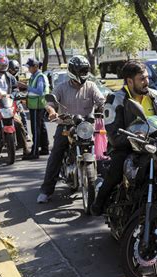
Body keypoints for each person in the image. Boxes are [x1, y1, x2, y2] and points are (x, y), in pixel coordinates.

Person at [90, 60, 157, 216]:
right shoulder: (115, 99)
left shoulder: (156, 97)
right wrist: (133, 139)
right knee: (116, 171)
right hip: (127, 148)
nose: (146, 82)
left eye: (147, 78)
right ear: (129, 81)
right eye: (141, 79)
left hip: (155, 147)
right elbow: (114, 134)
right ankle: (99, 202)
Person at [36, 56, 105, 203]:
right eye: (80, 70)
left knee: (103, 152)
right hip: (66, 125)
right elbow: (50, 102)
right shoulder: (62, 87)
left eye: (85, 70)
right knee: (56, 153)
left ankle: (104, 185)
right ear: (73, 71)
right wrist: (52, 111)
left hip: (86, 126)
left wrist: (105, 108)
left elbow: (101, 101)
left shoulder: (91, 86)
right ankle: (46, 191)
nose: (82, 73)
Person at [18, 58, 50, 160]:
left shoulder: (39, 77)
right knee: (41, 128)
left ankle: (35, 152)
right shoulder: (34, 76)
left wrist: (26, 87)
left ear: (35, 67)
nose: (28, 69)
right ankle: (44, 148)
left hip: (37, 106)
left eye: (29, 67)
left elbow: (39, 91)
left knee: (36, 129)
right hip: (37, 105)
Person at [7, 59, 30, 141]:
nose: (13, 72)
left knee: (23, 115)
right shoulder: (3, 77)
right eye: (11, 70)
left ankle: (26, 134)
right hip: (4, 101)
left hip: (14, 100)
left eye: (14, 70)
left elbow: (17, 88)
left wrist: (21, 95)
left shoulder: (14, 77)